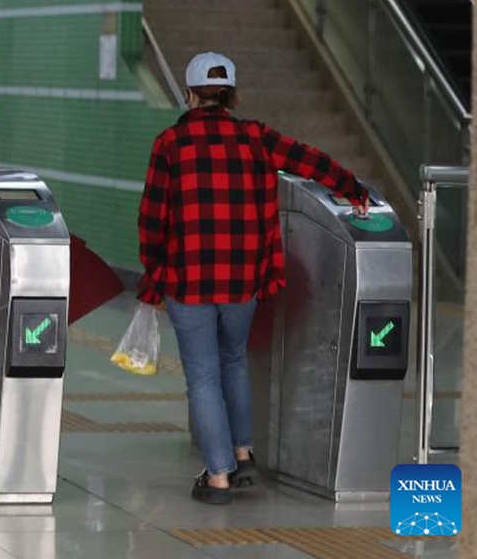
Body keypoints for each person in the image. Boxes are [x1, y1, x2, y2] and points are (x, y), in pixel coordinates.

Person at [136, 52, 369, 505]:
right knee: (234, 361)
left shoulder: (170, 144)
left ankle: (218, 476)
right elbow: (310, 161)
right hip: (244, 279)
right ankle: (242, 455)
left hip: (189, 281)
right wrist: (353, 189)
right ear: (230, 95)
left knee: (203, 377)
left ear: (188, 94)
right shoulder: (255, 137)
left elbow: (152, 219)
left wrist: (153, 276)